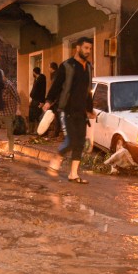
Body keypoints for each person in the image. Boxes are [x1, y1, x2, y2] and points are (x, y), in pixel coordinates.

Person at [42, 37, 94, 184]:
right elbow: (57, 85)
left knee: (80, 143)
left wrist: (89, 109)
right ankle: (57, 158)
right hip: (67, 109)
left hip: (81, 111)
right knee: (71, 140)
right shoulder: (67, 66)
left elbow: (88, 90)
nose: (88, 51)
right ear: (77, 48)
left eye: (90, 49)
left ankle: (73, 174)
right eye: (86, 48)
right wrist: (48, 101)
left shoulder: (89, 67)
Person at [0, 69, 21, 159]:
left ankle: (11, 152)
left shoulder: (9, 85)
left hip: (9, 112)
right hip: (0, 112)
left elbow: (17, 97)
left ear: (2, 77)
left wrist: (18, 109)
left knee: (9, 133)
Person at [28, 66, 46, 134]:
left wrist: (42, 101)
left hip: (38, 100)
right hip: (34, 100)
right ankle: (31, 130)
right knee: (31, 114)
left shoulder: (41, 79)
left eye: (33, 72)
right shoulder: (36, 79)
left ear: (34, 72)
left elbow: (42, 91)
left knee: (37, 115)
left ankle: (37, 130)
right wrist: (31, 100)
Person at [47, 62, 60, 137]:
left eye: (49, 67)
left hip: (57, 99)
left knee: (58, 116)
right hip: (56, 99)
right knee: (57, 116)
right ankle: (56, 132)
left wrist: (52, 100)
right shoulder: (54, 75)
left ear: (52, 68)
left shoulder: (56, 76)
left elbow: (54, 88)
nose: (48, 69)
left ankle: (56, 133)